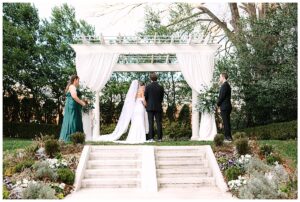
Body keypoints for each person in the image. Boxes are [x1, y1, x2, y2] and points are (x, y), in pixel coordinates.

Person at [59, 75, 86, 142]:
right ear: (75, 80)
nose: (79, 82)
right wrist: (82, 103)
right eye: (78, 80)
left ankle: (76, 138)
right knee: (72, 121)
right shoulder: (72, 86)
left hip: (73, 106)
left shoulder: (72, 87)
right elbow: (74, 96)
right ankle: (70, 138)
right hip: (72, 106)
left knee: (74, 120)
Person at [144, 72, 164, 142]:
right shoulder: (161, 87)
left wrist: (149, 102)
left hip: (150, 107)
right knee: (159, 123)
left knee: (151, 123)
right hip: (158, 107)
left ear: (150, 79)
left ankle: (151, 138)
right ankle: (159, 138)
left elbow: (145, 97)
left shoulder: (148, 87)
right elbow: (161, 98)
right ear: (157, 78)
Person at [217, 72, 233, 142]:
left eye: (220, 77)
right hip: (227, 106)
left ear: (223, 77)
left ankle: (227, 138)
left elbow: (221, 97)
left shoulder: (224, 85)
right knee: (227, 122)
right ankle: (229, 137)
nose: (219, 78)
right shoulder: (227, 85)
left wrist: (217, 104)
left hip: (225, 107)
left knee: (226, 122)